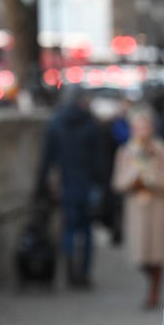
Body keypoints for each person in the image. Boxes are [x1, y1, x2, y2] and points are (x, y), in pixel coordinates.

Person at [112, 104, 164, 308]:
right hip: (137, 209)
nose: (142, 132)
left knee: (156, 254)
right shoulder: (126, 152)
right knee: (140, 255)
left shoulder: (163, 151)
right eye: (138, 128)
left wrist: (152, 179)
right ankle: (151, 284)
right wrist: (133, 177)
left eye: (145, 127)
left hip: (158, 207)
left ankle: (153, 293)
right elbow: (117, 182)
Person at [36, 86, 102, 289]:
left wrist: (40, 187)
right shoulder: (90, 123)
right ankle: (83, 272)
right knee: (87, 230)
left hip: (67, 185)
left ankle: (69, 270)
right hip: (88, 185)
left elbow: (47, 160)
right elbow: (100, 160)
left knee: (70, 230)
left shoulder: (56, 123)